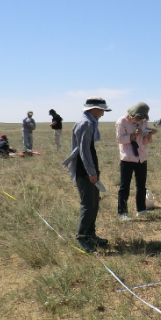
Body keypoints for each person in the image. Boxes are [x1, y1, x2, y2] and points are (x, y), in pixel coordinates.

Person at [62, 97, 111, 251]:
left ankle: (91, 235)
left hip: (89, 169)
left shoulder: (89, 122)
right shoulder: (86, 123)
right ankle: (83, 239)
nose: (103, 114)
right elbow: (83, 150)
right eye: (102, 110)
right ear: (94, 109)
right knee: (88, 204)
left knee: (94, 202)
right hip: (84, 170)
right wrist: (91, 172)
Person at [116, 102, 157, 221]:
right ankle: (122, 213)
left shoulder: (143, 122)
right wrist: (133, 135)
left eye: (141, 118)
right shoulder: (122, 122)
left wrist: (149, 135)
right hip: (127, 158)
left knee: (141, 185)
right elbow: (120, 139)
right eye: (138, 117)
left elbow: (143, 142)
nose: (139, 120)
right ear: (132, 114)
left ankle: (141, 209)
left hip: (141, 157)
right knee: (125, 187)